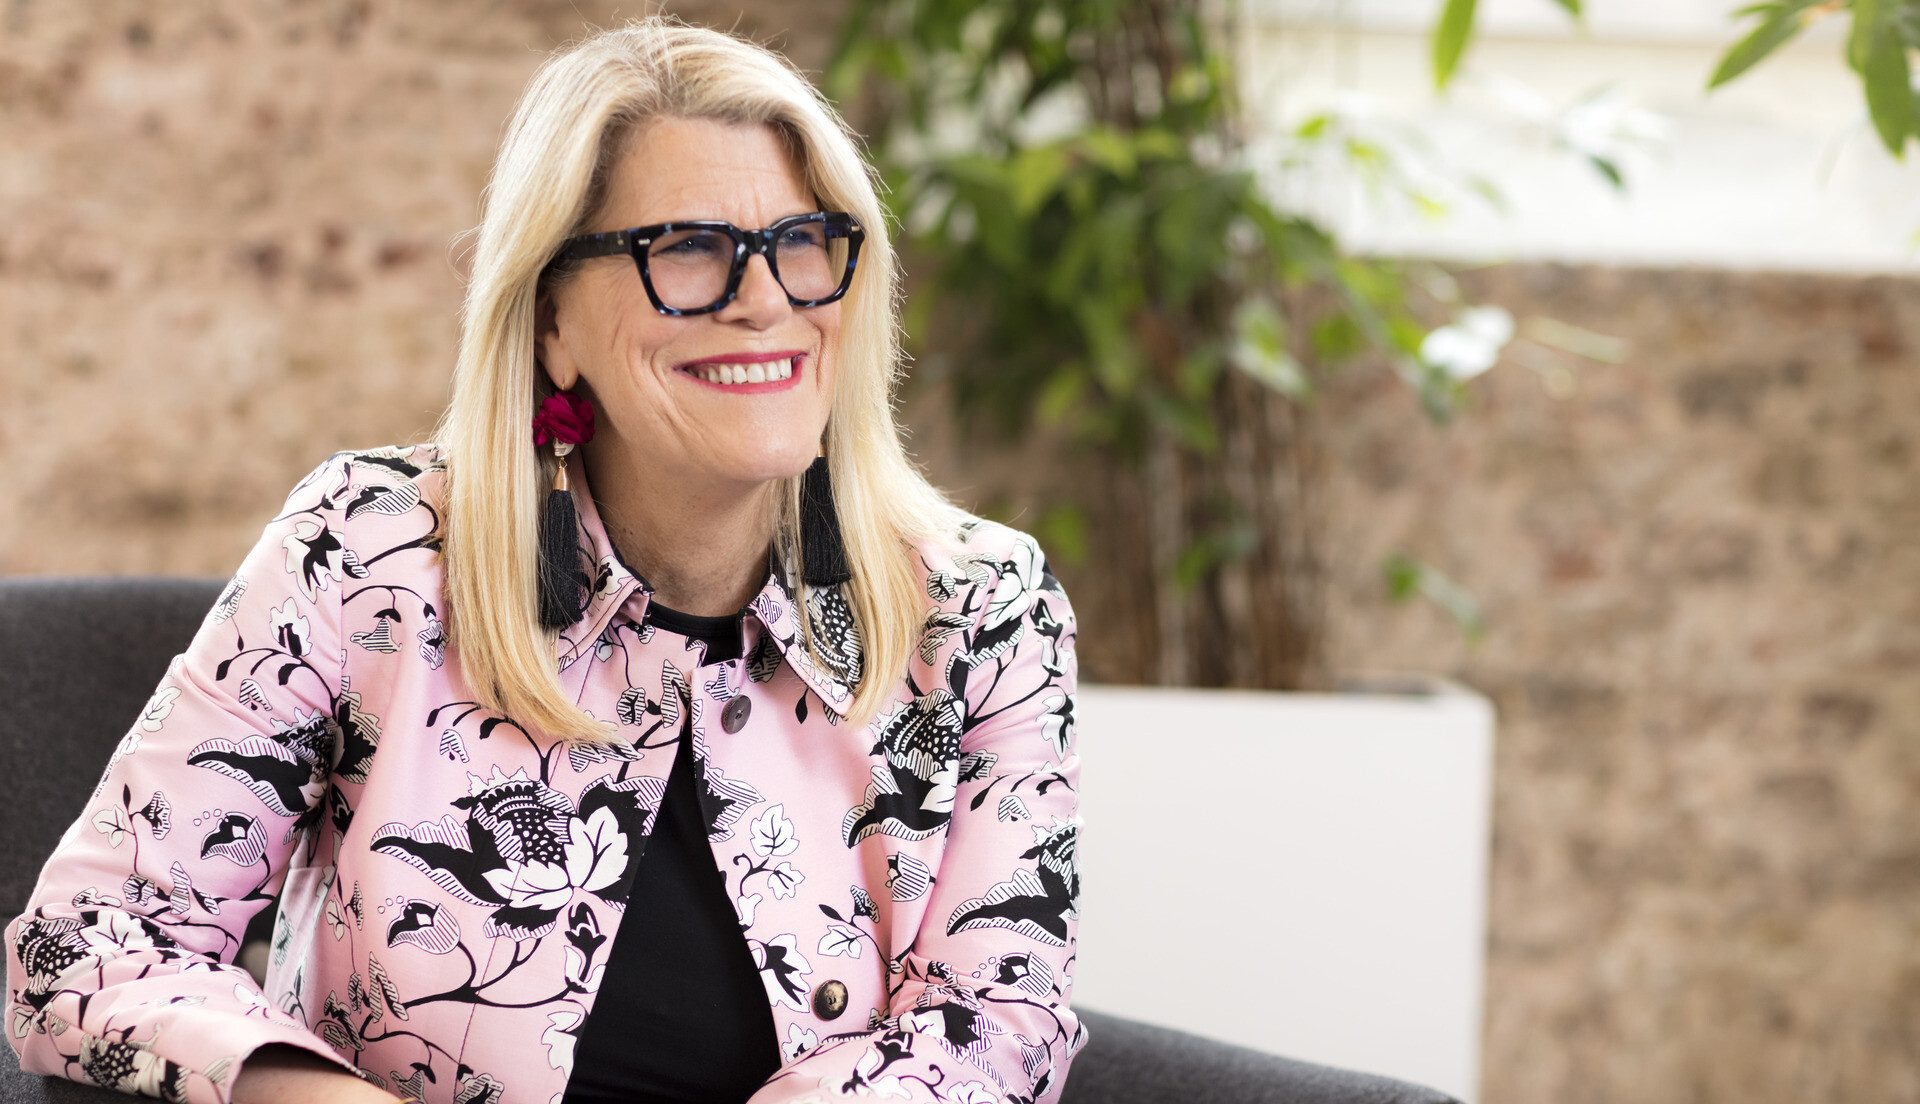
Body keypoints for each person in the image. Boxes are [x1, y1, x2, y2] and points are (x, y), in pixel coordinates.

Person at [5, 20, 1082, 1104]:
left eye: (805, 241)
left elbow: (998, 1032)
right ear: (552, 318)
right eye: (690, 249)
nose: (768, 300)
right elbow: (79, 949)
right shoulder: (371, 552)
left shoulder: (981, 610)